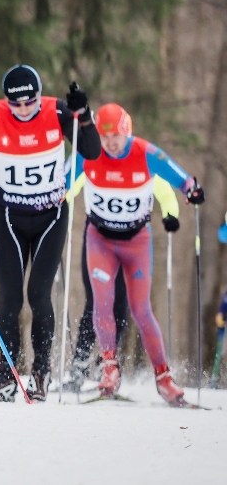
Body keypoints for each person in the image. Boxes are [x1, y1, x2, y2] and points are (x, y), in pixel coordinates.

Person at [0, 65, 100, 402]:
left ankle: (40, 373)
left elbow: (91, 151)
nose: (23, 109)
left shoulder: (56, 111)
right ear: (6, 100)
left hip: (51, 217)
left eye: (29, 102)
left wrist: (84, 115)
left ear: (39, 96)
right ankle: (6, 377)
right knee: (10, 299)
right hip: (10, 219)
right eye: (16, 103)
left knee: (38, 295)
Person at [66, 103, 203, 404]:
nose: (111, 142)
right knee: (102, 303)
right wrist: (55, 198)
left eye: (116, 135)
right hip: (100, 240)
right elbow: (63, 182)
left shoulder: (145, 152)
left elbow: (180, 178)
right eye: (105, 137)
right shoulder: (88, 153)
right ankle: (109, 368)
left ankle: (164, 378)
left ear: (127, 131)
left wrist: (191, 189)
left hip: (136, 242)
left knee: (141, 310)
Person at [62, 174, 181, 391]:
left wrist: (170, 214)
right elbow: (71, 182)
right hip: (98, 239)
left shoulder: (139, 160)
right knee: (96, 302)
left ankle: (107, 366)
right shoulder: (95, 159)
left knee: (120, 305)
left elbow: (165, 193)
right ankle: (79, 367)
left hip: (131, 241)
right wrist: (62, 205)